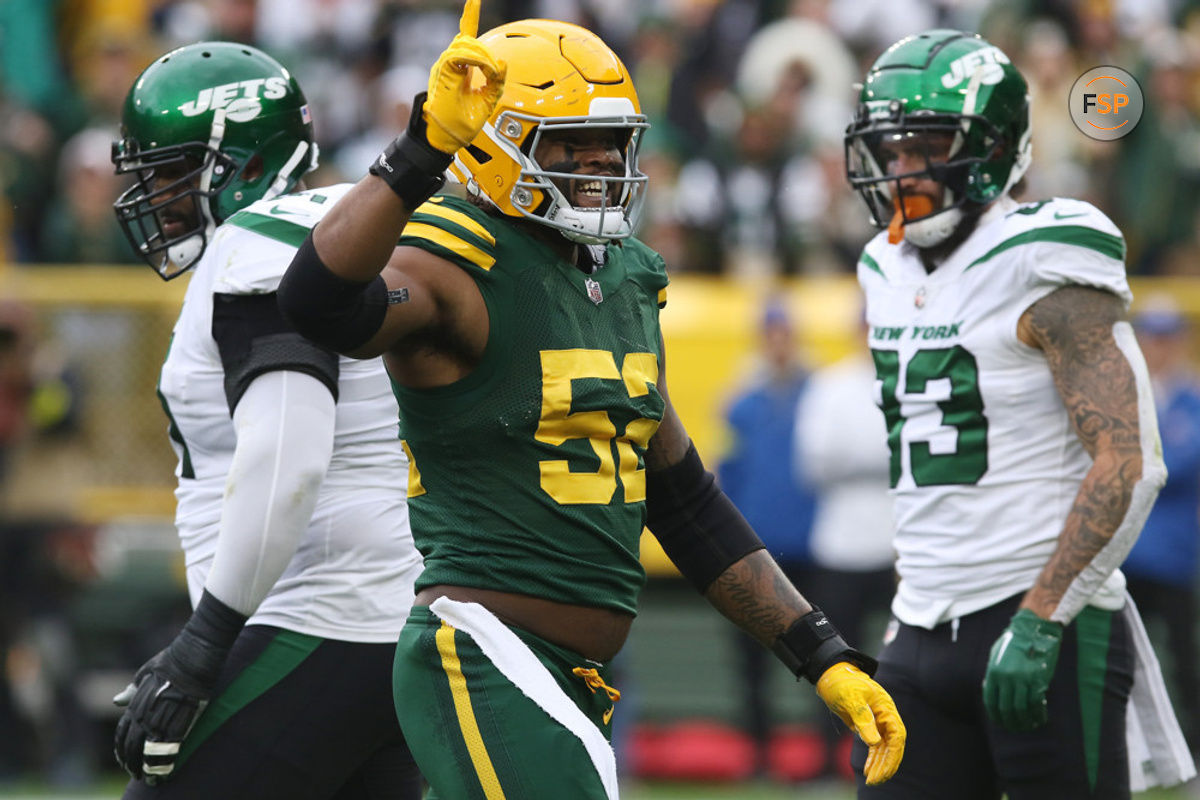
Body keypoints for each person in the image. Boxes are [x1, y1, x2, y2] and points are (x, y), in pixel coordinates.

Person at [276, 3, 906, 798]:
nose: (601, 163)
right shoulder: (454, 259)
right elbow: (318, 304)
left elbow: (683, 503)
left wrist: (823, 655)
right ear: (496, 144)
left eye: (612, 142)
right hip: (485, 651)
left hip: (572, 673)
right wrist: (420, 151)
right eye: (570, 143)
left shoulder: (623, 279)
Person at [843, 28, 1194, 798]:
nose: (905, 168)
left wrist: (1042, 619)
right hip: (921, 618)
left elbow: (1130, 462)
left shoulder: (1043, 252)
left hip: (1046, 618)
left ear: (997, 149)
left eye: (929, 145)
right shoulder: (882, 266)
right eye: (893, 149)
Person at [108, 41, 423, 799]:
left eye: (172, 173)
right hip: (400, 627)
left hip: (315, 618)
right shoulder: (363, 227)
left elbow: (290, 458)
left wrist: (203, 643)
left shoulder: (261, 243)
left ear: (239, 161)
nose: (158, 195)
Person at [794, 310, 897, 780]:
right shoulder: (830, 385)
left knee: (900, 660)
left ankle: (900, 749)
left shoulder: (906, 382)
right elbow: (814, 463)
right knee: (834, 659)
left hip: (898, 547)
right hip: (840, 547)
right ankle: (826, 762)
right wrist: (879, 456)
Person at [716, 300, 818, 776]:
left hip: (808, 546)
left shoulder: (816, 395)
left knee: (820, 653)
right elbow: (726, 475)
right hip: (755, 548)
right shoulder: (743, 402)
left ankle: (823, 759)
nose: (778, 344)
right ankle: (759, 757)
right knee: (753, 661)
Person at [1124, 298, 1200, 761]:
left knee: (1183, 655)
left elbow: (1166, 465)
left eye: (1167, 336)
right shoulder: (1128, 395)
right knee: (1122, 660)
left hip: (1173, 552)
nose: (1159, 346)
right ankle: (1134, 750)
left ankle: (1189, 748)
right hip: (1126, 550)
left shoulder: (1189, 398)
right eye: (1152, 336)